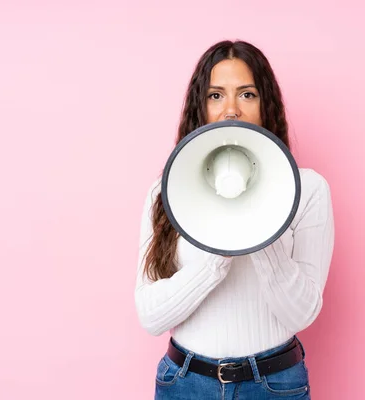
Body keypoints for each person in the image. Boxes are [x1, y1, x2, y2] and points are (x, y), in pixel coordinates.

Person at [134, 40, 335, 400]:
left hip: (274, 385)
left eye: (246, 94)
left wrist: (260, 227)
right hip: (185, 383)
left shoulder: (308, 189)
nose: (230, 110)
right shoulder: (166, 193)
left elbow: (302, 313)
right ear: (200, 105)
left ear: (265, 104)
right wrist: (216, 256)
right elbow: (151, 317)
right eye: (215, 95)